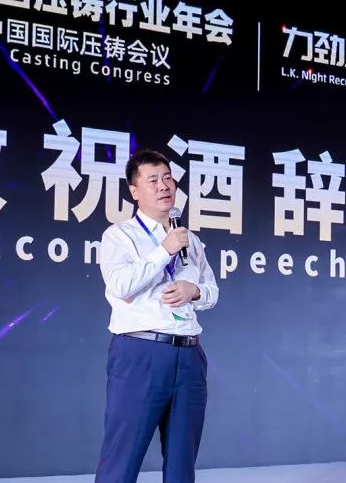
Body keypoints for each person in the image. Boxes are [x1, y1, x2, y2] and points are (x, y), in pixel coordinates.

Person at [95, 149, 220, 483]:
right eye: (153, 180)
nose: (164, 186)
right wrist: (164, 250)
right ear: (134, 191)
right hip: (141, 352)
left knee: (182, 463)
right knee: (121, 460)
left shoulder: (190, 240)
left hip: (189, 355)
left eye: (168, 178)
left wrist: (193, 291)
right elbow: (120, 285)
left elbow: (212, 291)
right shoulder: (120, 235)